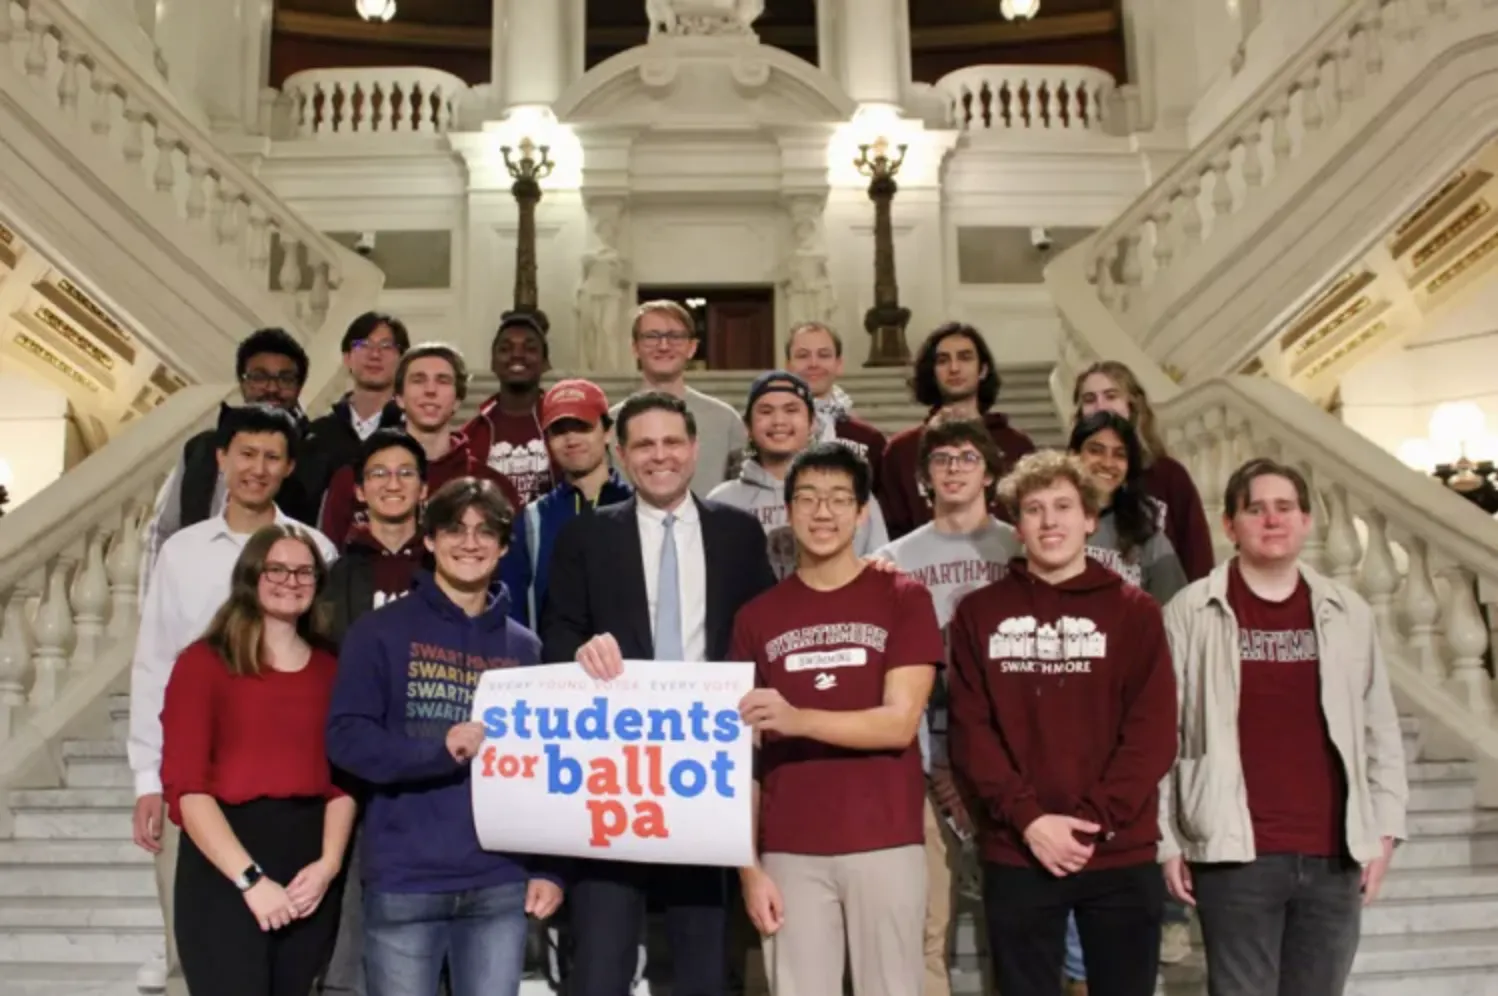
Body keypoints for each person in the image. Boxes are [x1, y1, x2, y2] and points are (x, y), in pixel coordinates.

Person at [543, 391, 776, 996]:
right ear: (620, 455)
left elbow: (764, 637)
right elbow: (557, 633)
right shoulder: (585, 537)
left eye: (672, 442)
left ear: (696, 449)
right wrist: (579, 652)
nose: (660, 456)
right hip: (618, 779)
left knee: (704, 969)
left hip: (709, 775)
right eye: (643, 445)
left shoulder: (739, 534)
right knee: (599, 967)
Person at [1160, 458, 1408, 996]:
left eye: (1284, 508)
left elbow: (1379, 730)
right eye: (1255, 509)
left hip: (1333, 854)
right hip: (1234, 853)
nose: (1272, 520)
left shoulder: (1349, 612)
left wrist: (1385, 830)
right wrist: (1167, 839)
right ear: (1230, 525)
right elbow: (1162, 734)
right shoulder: (1190, 611)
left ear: (1306, 520)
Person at [946, 450, 1176, 996]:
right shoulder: (979, 613)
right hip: (1019, 849)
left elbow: (1153, 731)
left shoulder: (1135, 611)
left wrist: (1093, 822)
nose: (1050, 521)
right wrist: (1030, 821)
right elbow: (971, 733)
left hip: (1119, 851)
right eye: (1034, 509)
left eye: (1064, 506)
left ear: (1090, 518)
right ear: (1017, 525)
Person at [129, 403, 339, 996]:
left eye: (272, 457)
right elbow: (154, 664)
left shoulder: (317, 549)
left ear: (288, 466)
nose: (258, 467)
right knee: (196, 955)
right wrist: (147, 776)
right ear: (222, 458)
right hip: (197, 787)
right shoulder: (183, 552)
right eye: (246, 453)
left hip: (288, 800)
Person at [326, 477, 563, 996]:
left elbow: (545, 768)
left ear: (504, 547)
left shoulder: (524, 648)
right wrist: (438, 752)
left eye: (486, 532)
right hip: (406, 880)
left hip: (499, 882)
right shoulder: (379, 632)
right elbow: (346, 739)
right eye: (454, 529)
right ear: (429, 540)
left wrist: (548, 869)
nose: (470, 542)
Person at [731, 442, 942, 996]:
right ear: (788, 509)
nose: (822, 513)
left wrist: (797, 718)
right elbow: (741, 759)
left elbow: (898, 723)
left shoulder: (903, 597)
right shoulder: (756, 618)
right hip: (789, 849)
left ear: (862, 511)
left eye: (838, 499)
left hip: (886, 840)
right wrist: (748, 868)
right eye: (808, 498)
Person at [161, 524, 354, 996]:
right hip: (226, 864)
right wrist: (250, 881)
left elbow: (345, 781)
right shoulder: (204, 663)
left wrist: (328, 865)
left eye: (304, 571)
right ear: (252, 575)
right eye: (278, 568)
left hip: (309, 864)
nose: (292, 580)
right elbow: (188, 789)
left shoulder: (333, 667)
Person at [872, 419, 1021, 996]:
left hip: (1010, 756)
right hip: (922, 754)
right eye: (942, 459)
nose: (954, 468)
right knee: (929, 923)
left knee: (1013, 923)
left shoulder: (1020, 545)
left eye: (966, 456)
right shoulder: (892, 558)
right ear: (924, 476)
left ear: (989, 469)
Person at [315, 430, 430, 996]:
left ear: (424, 486)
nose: (392, 483)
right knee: (355, 914)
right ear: (359, 489)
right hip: (357, 766)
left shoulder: (447, 566)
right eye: (379, 473)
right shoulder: (337, 573)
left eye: (405, 472)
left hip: (432, 757)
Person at [141, 328, 318, 592]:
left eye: (285, 379)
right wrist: (153, 602)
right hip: (198, 594)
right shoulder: (201, 449)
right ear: (243, 382)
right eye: (259, 377)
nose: (272, 388)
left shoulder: (318, 451)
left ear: (299, 386)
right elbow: (162, 532)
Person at [321, 343, 521, 548]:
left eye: (443, 381)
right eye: (418, 380)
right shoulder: (353, 479)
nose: (430, 390)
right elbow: (330, 562)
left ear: (458, 400)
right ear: (399, 398)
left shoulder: (493, 485)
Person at [709, 371, 889, 578]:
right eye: (766, 411)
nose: (779, 421)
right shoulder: (722, 502)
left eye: (791, 410)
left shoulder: (849, 493)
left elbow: (879, 567)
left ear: (812, 423)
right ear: (748, 426)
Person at [498, 378, 632, 630]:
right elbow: (514, 614)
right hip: (552, 667)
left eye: (582, 427)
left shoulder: (639, 507)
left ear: (607, 432)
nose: (571, 440)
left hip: (630, 666)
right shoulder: (531, 520)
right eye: (559, 431)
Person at [879, 323, 1035, 539]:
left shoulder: (1017, 446)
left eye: (965, 357)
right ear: (932, 372)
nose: (954, 368)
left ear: (983, 369)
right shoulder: (901, 450)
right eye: (943, 360)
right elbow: (891, 530)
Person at [1073, 361, 1213, 581]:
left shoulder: (1169, 475)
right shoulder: (1066, 480)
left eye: (1111, 396)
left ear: (1132, 404)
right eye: (1089, 399)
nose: (1100, 406)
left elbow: (1197, 556)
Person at [607, 300, 747, 496]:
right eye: (651, 337)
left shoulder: (726, 420)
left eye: (675, 337)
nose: (663, 346)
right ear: (635, 347)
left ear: (692, 347)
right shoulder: (610, 422)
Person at [1068, 412, 1188, 606]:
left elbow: (1174, 612)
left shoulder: (1147, 535)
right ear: (1073, 455)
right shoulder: (1050, 523)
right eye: (1096, 450)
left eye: (1119, 454)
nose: (1107, 463)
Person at [300, 312, 410, 515]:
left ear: (402, 360)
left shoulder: (411, 434)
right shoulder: (317, 435)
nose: (375, 354)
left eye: (386, 346)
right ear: (347, 358)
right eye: (364, 345)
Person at [463, 313, 556, 507]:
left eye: (530, 348)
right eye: (505, 349)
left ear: (546, 363)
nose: (517, 355)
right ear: (493, 363)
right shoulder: (471, 435)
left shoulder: (563, 425)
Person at [783, 322, 887, 488]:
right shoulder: (770, 434)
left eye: (824, 355)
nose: (813, 363)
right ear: (788, 366)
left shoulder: (868, 438)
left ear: (839, 364)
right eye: (803, 356)